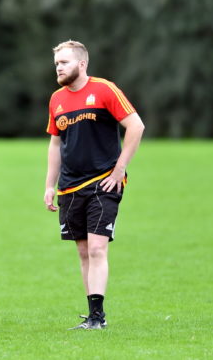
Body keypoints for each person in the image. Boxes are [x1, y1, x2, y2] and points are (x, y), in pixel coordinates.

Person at [44, 41, 144, 330]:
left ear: (82, 64)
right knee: (84, 251)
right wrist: (49, 185)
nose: (59, 68)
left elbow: (136, 126)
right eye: (57, 64)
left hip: (104, 182)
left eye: (64, 62)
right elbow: (55, 142)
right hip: (69, 187)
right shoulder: (56, 99)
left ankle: (98, 318)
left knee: (98, 248)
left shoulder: (104, 90)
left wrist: (120, 169)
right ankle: (91, 315)